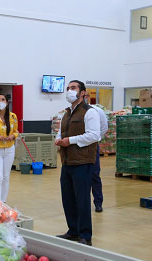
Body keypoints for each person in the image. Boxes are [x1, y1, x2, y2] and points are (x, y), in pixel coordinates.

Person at [55, 80, 100, 246]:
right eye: (68, 88)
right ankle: (72, 230)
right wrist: (59, 139)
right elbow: (61, 132)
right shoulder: (67, 113)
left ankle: (85, 235)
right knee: (68, 198)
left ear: (82, 93)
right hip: (67, 162)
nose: (69, 91)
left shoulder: (90, 112)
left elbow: (94, 135)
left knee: (82, 199)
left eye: (73, 88)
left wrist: (70, 141)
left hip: (82, 162)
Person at [91, 104, 108, 213]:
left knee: (94, 175)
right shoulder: (72, 111)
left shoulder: (96, 111)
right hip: (77, 148)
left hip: (92, 146)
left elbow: (104, 127)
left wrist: (94, 138)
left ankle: (98, 203)